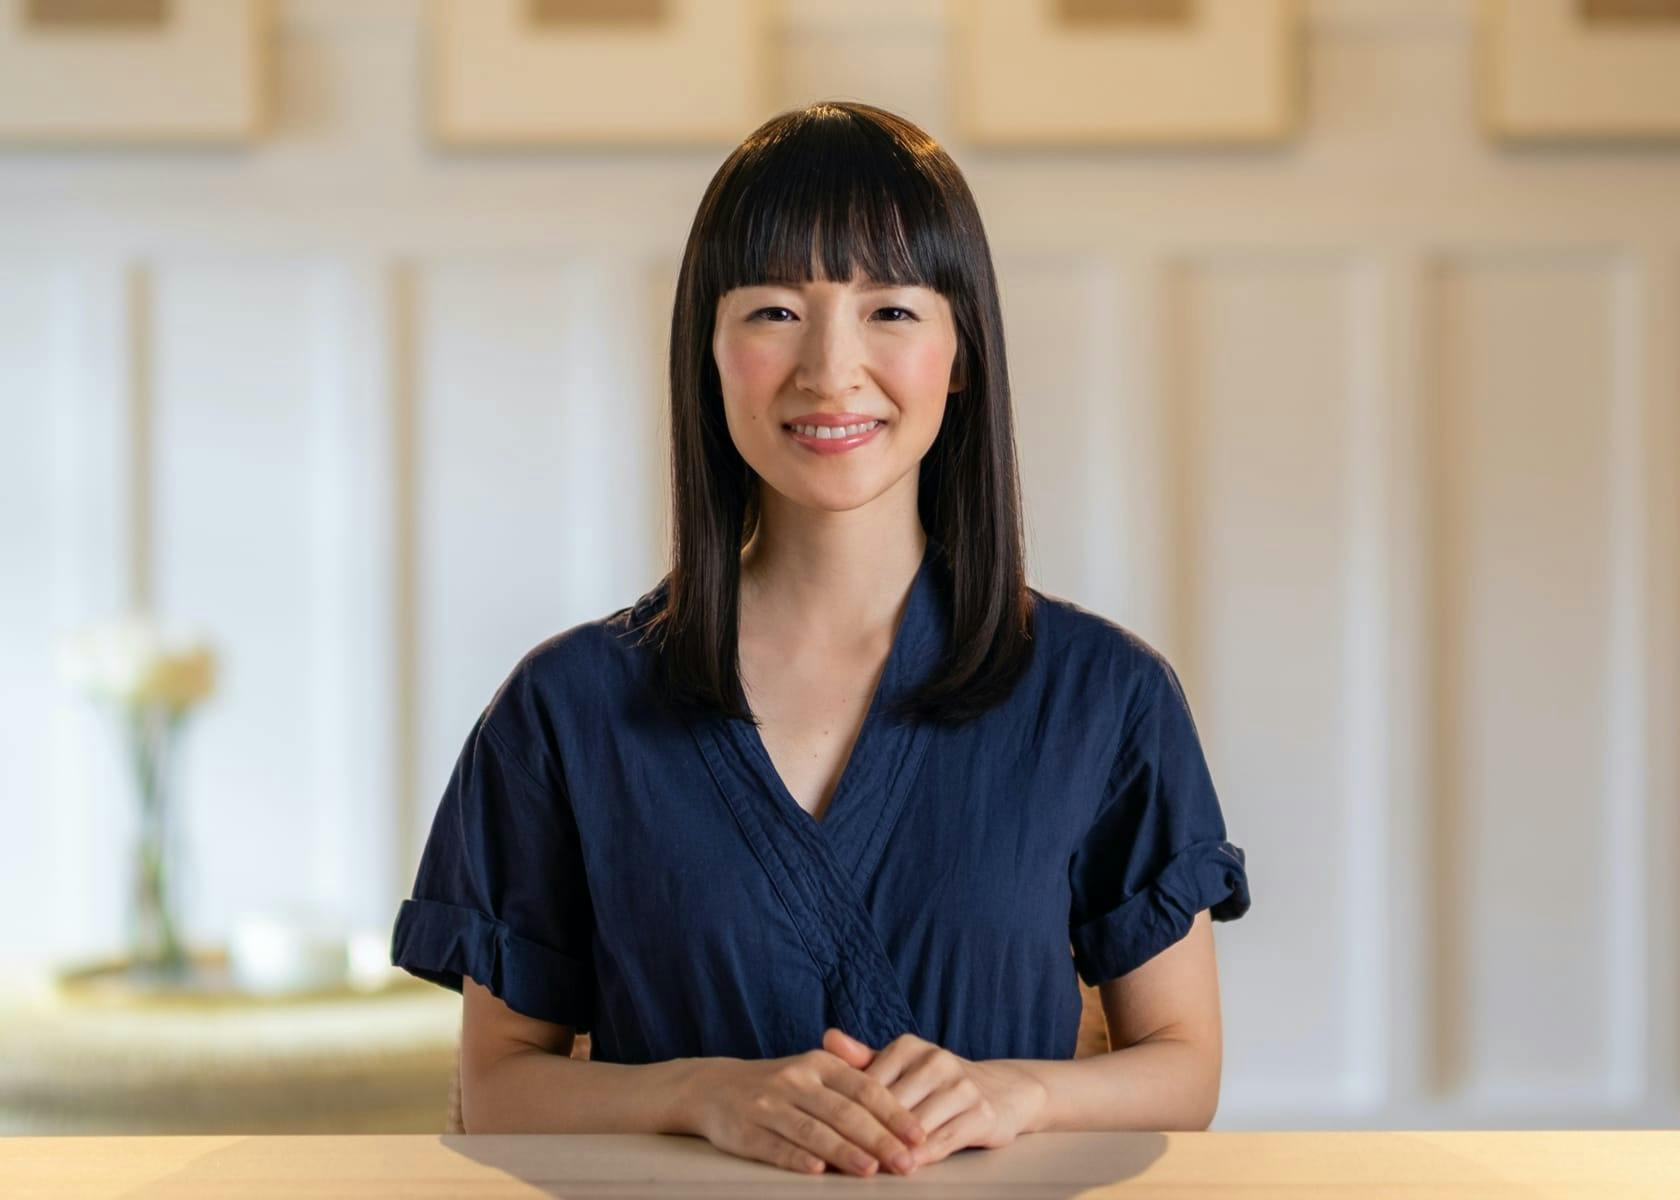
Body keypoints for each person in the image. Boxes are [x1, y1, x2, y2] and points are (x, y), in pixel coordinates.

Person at [390, 100, 1250, 1177]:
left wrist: (1017, 1091)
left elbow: (1184, 1065)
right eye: (774, 312)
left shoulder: (1104, 697)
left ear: (962, 353)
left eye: (890, 310)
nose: (831, 369)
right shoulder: (564, 710)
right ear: (707, 347)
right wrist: (700, 1093)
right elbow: (500, 1086)